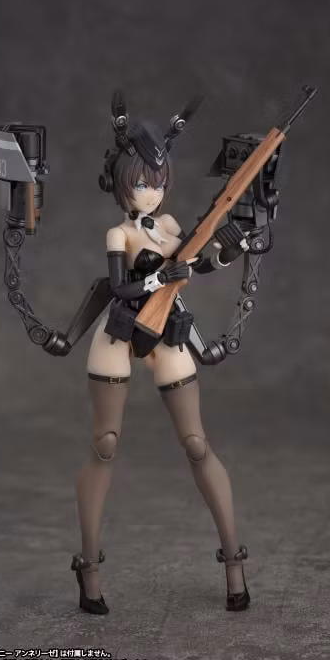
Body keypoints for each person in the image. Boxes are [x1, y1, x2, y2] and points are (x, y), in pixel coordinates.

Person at [71, 94, 250, 614]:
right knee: (105, 443)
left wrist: (229, 249)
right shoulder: (119, 232)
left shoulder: (170, 227)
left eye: (157, 182)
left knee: (196, 443)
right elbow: (119, 287)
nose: (150, 191)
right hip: (121, 328)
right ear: (120, 184)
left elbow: (199, 263)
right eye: (140, 182)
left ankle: (234, 563)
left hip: (167, 325)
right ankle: (89, 569)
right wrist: (157, 277)